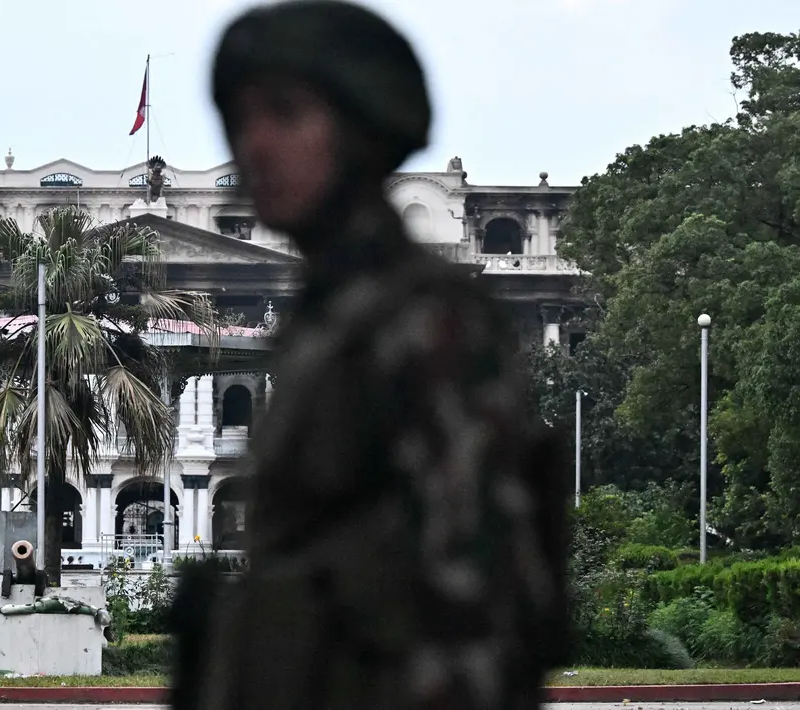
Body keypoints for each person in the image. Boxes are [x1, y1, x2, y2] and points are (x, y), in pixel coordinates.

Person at [168, 2, 570, 710]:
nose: (254, 144)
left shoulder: (422, 318)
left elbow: (470, 595)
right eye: (239, 119)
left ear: (363, 127)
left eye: (285, 113)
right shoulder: (328, 317)